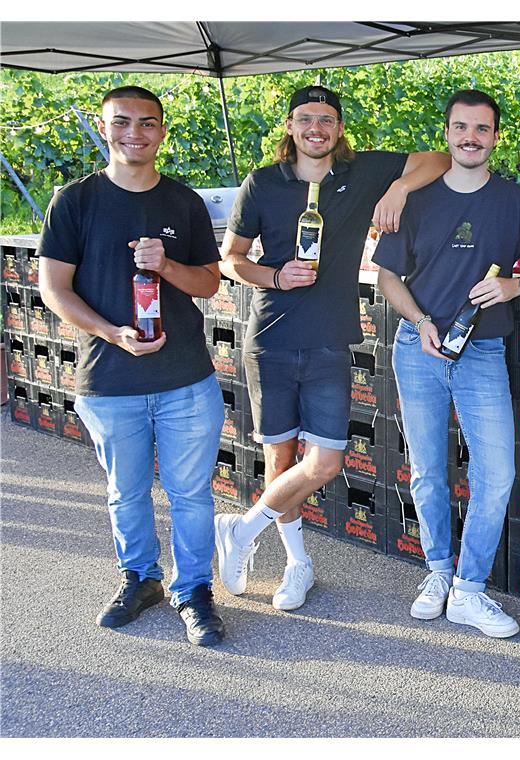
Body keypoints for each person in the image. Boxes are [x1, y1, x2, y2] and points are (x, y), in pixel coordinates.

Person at [214, 85, 450, 611]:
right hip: (271, 338)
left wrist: (398, 190)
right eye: (305, 119)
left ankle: (242, 529)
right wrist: (274, 275)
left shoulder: (362, 172)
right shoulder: (263, 184)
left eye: (326, 119)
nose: (315, 128)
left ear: (339, 128)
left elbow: (438, 158)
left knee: (324, 462)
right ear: (290, 127)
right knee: (281, 459)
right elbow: (230, 260)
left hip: (329, 340)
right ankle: (298, 566)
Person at [374, 89, 520, 638]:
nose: (470, 138)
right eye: (461, 128)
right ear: (447, 134)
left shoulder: (514, 200)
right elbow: (387, 276)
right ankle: (438, 572)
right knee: (427, 473)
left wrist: (518, 284)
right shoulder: (415, 200)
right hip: (417, 351)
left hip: (482, 352)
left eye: (481, 129)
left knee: (497, 474)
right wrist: (419, 322)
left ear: (494, 136)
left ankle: (469, 589)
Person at [38, 86, 226, 646]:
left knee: (191, 494)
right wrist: (111, 333)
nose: (134, 134)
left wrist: (166, 265)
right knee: (127, 492)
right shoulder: (74, 201)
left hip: (186, 378)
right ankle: (140, 579)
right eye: (122, 123)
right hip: (109, 378)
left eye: (147, 124)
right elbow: (53, 289)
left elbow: (210, 283)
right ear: (105, 127)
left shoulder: (183, 202)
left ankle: (192, 589)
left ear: (161, 131)